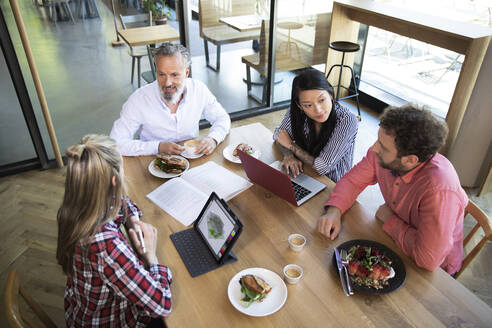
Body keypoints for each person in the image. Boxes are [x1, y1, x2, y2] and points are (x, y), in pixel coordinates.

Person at [318, 105, 468, 275]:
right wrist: (334, 210)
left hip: (436, 273)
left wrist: (390, 220)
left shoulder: (440, 190)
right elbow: (352, 181)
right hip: (396, 243)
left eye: (383, 147)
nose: (374, 148)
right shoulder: (383, 155)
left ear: (410, 160)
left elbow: (428, 258)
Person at [56, 134, 172, 327]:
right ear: (113, 181)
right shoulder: (106, 246)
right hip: (111, 320)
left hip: (81, 309)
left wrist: (133, 221)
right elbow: (161, 304)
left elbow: (120, 202)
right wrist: (151, 257)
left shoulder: (74, 208)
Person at [110, 43, 231, 156]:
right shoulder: (139, 99)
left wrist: (213, 139)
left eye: (174, 75)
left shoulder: (199, 90)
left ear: (186, 72)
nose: (167, 83)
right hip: (152, 162)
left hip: (192, 159)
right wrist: (157, 147)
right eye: (161, 74)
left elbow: (222, 118)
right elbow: (116, 143)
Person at [273, 68, 358, 182]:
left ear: (331, 95)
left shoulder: (347, 120)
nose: (318, 110)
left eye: (322, 100)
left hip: (334, 184)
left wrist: (291, 146)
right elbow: (279, 135)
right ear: (300, 106)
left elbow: (323, 167)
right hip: (304, 173)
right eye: (308, 105)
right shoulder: (298, 111)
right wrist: (289, 156)